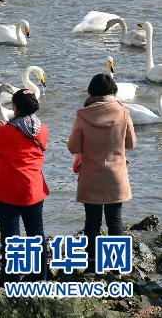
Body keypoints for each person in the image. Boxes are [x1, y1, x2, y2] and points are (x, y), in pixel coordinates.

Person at [0, 88, 49, 283]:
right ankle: (38, 277)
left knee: (11, 238)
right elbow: (20, 138)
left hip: (8, 193)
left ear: (15, 107)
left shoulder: (8, 132)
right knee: (36, 235)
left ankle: (10, 280)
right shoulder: (42, 129)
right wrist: (5, 129)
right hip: (33, 191)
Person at [67, 74, 137, 267]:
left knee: (92, 222)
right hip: (116, 177)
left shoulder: (83, 114)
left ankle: (91, 264)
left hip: (91, 176)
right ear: (113, 91)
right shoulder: (123, 112)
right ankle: (117, 267)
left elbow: (73, 147)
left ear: (91, 92)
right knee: (115, 221)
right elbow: (131, 143)